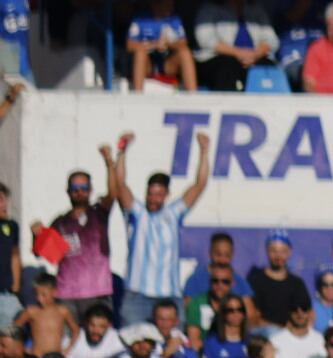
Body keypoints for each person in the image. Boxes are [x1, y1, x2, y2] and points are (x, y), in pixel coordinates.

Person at [114, 131, 211, 327]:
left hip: (169, 296)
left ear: (166, 194)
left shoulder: (173, 214)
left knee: (175, 350)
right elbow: (119, 184)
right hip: (137, 296)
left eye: (158, 194)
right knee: (132, 345)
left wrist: (203, 151)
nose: (153, 199)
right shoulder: (136, 213)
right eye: (150, 194)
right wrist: (122, 153)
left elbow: (199, 185)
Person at [42, 157, 117, 320]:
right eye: (75, 188)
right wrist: (37, 234)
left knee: (99, 344)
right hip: (66, 294)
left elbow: (113, 193)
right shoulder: (60, 222)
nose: (79, 191)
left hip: (97, 292)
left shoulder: (99, 213)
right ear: (68, 191)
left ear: (90, 190)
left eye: (84, 187)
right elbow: (48, 255)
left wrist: (109, 163)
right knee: (68, 343)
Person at [193, 0, 278, 91]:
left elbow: (272, 40)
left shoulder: (256, 9)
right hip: (220, 59)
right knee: (227, 66)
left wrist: (255, 55)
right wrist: (239, 53)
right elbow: (205, 38)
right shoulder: (209, 8)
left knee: (267, 65)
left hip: (253, 57)